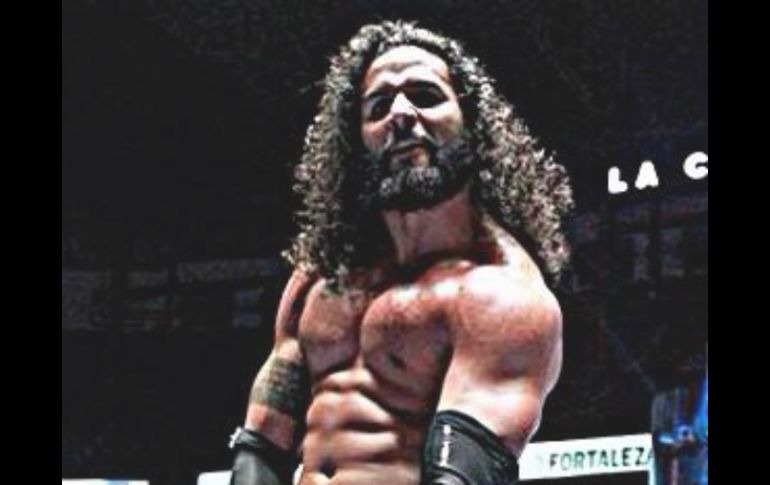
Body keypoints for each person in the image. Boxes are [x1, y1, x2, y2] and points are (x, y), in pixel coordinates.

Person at [229, 20, 574, 485]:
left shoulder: (502, 297)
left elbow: (459, 477)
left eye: (425, 96)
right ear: (356, 140)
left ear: (472, 125)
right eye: (378, 106)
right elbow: (261, 446)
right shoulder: (319, 277)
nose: (401, 114)